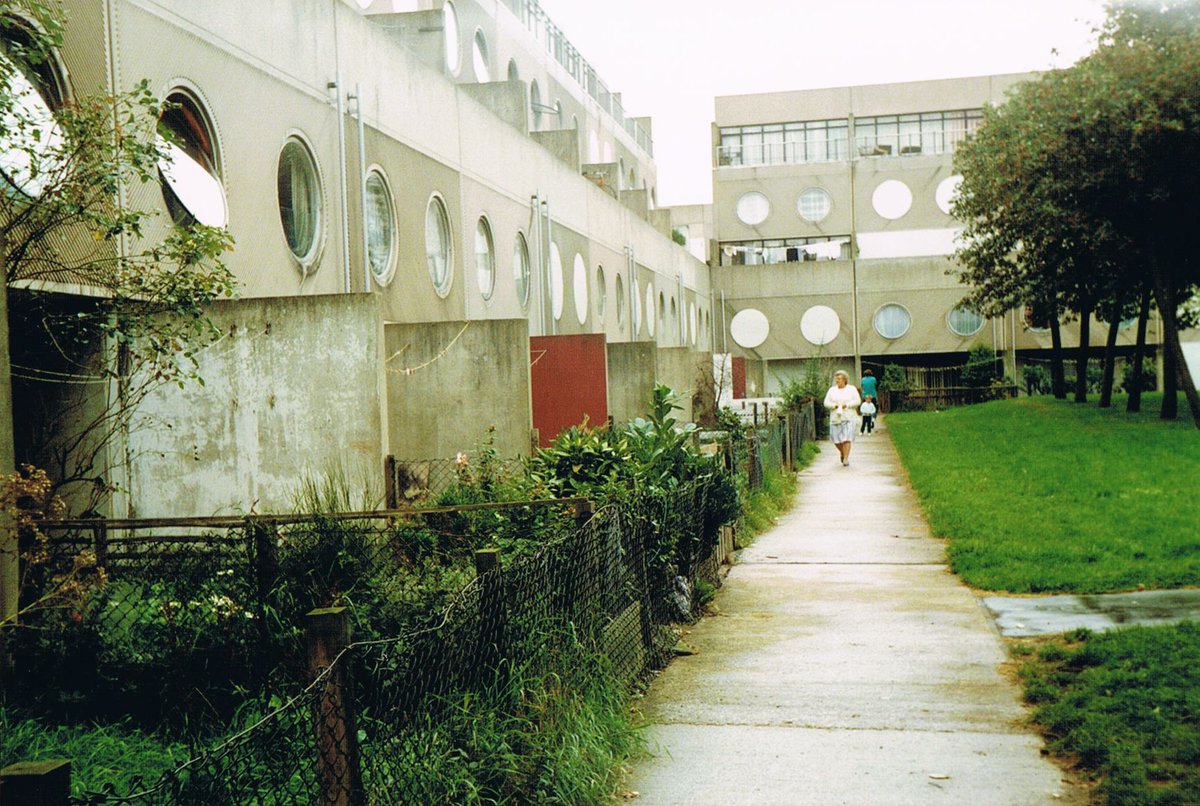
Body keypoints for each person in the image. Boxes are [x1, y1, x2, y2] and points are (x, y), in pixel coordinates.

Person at [824, 370, 861, 467]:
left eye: (839, 379)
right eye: (836, 379)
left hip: (849, 417)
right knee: (835, 439)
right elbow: (826, 402)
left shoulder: (851, 389)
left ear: (844, 380)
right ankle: (842, 452)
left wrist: (847, 405)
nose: (837, 380)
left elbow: (857, 401)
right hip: (835, 417)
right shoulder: (832, 390)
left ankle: (846, 458)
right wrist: (834, 405)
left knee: (847, 438)